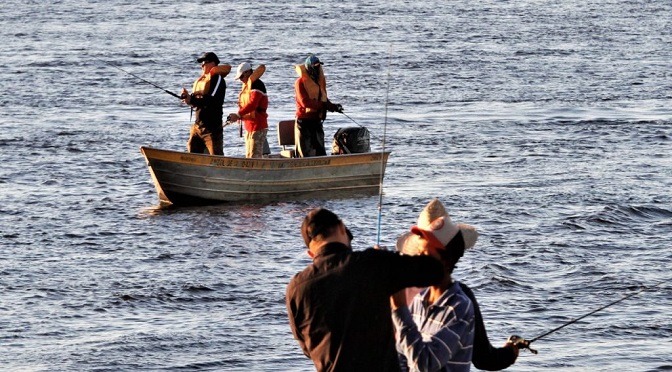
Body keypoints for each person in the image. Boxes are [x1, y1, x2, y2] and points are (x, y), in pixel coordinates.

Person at [286, 208, 444, 372]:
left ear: (311, 253)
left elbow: (307, 349)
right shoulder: (374, 263)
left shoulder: (296, 288)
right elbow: (434, 271)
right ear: (341, 227)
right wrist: (389, 260)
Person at [393, 199, 519, 371]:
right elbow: (402, 356)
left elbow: (425, 364)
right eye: (418, 253)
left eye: (425, 255)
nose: (417, 260)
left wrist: (399, 309)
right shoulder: (419, 300)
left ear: (446, 261)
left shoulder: (459, 307)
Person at [181, 52, 231, 155]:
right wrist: (188, 98)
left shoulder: (218, 79)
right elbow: (196, 101)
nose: (202, 66)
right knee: (192, 150)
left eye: (204, 63)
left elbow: (210, 100)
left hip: (212, 129)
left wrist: (191, 100)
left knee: (216, 156)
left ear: (213, 63)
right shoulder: (203, 81)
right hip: (197, 126)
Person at [293, 55, 343, 157]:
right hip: (304, 122)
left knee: (320, 151)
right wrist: (323, 105)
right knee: (304, 153)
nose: (318, 69)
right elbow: (305, 102)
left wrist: (334, 107)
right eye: (315, 66)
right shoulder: (300, 82)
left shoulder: (318, 83)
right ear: (309, 68)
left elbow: (323, 99)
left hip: (316, 121)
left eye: (319, 66)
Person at [227, 62, 269, 158]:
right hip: (249, 127)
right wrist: (238, 117)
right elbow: (246, 106)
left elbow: (252, 104)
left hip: (258, 126)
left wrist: (238, 114)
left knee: (254, 156)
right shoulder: (247, 86)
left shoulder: (257, 84)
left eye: (241, 77)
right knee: (249, 156)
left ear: (247, 72)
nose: (241, 80)